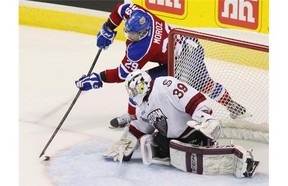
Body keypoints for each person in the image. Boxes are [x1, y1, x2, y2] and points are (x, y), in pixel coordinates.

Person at [75, 2, 247, 128]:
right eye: (128, 32)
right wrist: (109, 27)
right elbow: (121, 7)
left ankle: (232, 105)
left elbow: (122, 74)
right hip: (178, 50)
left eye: (134, 35)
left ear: (144, 32)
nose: (129, 37)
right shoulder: (143, 16)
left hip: (187, 55)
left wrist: (99, 78)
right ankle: (133, 116)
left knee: (202, 84)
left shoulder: (144, 47)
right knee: (139, 85)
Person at [102, 70, 259, 178]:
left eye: (134, 90)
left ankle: (239, 158)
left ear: (141, 85)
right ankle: (177, 153)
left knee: (179, 152)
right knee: (155, 144)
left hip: (194, 132)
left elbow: (191, 98)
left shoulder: (164, 84)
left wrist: (204, 117)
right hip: (174, 141)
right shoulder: (142, 107)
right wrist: (127, 141)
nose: (133, 95)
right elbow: (140, 127)